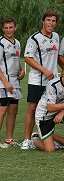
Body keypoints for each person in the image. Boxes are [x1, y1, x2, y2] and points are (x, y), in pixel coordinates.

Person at [21, 10, 60, 149]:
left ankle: (46, 137)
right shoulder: (34, 38)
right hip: (37, 81)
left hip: (52, 82)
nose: (51, 23)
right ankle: (27, 140)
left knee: (49, 112)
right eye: (48, 20)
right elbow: (27, 58)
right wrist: (44, 70)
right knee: (32, 110)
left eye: (53, 20)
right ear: (43, 21)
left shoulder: (56, 36)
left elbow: (57, 57)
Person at [32, 61, 64, 152]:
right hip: (45, 115)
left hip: (60, 112)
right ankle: (36, 138)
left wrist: (62, 113)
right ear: (63, 72)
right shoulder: (53, 85)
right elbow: (50, 107)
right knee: (50, 150)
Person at [0, 18, 25, 147]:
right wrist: (5, 82)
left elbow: (16, 59)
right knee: (2, 110)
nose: (9, 30)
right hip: (3, 83)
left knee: (13, 110)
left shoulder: (18, 43)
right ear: (3, 29)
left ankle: (9, 139)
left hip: (15, 83)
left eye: (11, 27)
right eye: (6, 28)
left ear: (15, 28)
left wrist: (22, 71)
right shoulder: (1, 43)